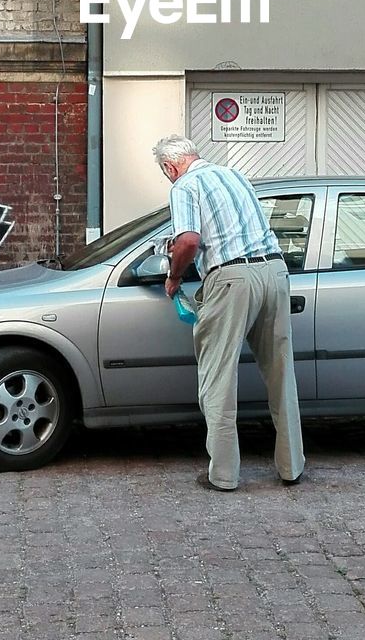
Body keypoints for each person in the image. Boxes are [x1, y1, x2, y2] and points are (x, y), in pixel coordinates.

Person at [153, 134, 304, 492]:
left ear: (169, 166)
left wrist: (174, 276)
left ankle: (222, 475)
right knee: (281, 373)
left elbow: (189, 240)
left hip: (232, 278)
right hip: (274, 271)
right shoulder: (236, 175)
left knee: (218, 378)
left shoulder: (184, 186)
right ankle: (291, 466)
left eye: (166, 173)